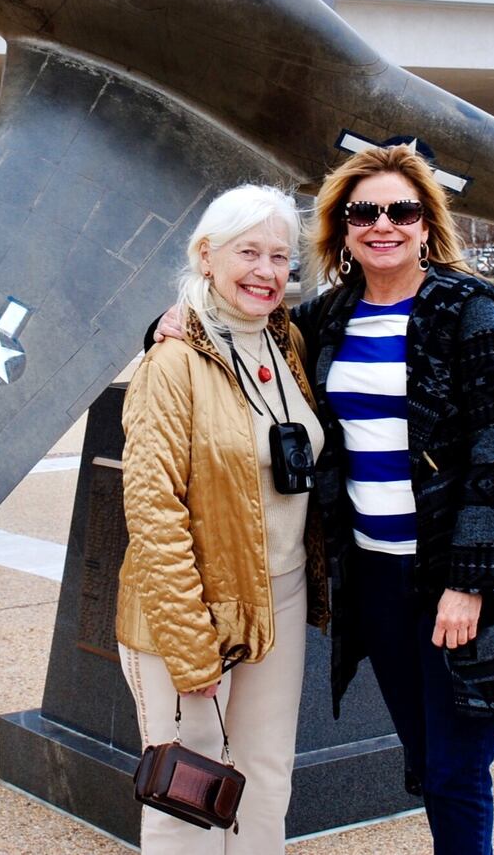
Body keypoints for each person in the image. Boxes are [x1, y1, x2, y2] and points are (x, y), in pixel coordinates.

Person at [154, 144, 494, 854]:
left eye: (402, 210)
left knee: (457, 769)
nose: (382, 223)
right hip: (376, 579)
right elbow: (238, 317)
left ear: (427, 224)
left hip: (454, 579)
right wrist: (172, 321)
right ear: (342, 227)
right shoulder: (327, 316)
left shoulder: (469, 313)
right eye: (365, 211)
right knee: (423, 759)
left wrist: (468, 584)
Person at [117, 184, 328, 855]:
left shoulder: (287, 341)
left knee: (267, 776)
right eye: (249, 252)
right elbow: (152, 510)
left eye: (281, 256)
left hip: (281, 593)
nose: (267, 271)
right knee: (189, 790)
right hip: (193, 607)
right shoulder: (172, 360)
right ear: (205, 254)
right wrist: (188, 641)